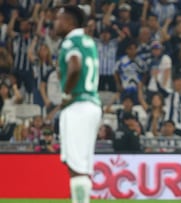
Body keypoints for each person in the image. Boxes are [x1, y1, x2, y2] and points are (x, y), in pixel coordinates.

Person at [54, 5, 102, 203]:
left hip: (78, 104)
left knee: (76, 166)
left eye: (59, 19)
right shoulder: (88, 41)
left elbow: (75, 65)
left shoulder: (70, 41)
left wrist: (66, 93)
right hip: (92, 104)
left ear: (70, 22)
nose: (55, 23)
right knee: (81, 164)